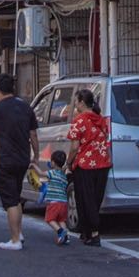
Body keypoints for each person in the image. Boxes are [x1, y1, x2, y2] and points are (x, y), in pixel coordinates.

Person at [0, 73, 39, 251]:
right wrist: (35, 156)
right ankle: (19, 233)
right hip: (22, 159)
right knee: (16, 196)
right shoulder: (26, 108)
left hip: (5, 160)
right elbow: (33, 135)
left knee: (10, 201)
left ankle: (14, 240)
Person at [66, 88, 112, 247]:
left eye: (76, 101)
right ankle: (88, 232)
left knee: (84, 199)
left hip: (85, 164)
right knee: (95, 198)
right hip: (103, 163)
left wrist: (68, 162)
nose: (75, 104)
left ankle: (93, 232)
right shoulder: (101, 120)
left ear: (81, 102)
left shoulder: (79, 121)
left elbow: (74, 146)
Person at [42, 150, 72, 246]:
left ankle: (60, 232)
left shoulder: (52, 173)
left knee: (50, 219)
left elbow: (41, 174)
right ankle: (66, 237)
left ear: (53, 162)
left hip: (54, 202)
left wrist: (33, 167)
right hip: (63, 202)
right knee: (61, 220)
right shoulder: (63, 175)